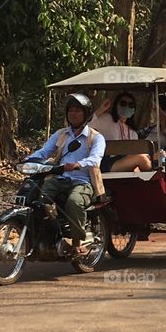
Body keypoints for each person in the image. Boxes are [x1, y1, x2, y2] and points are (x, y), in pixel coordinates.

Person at [25, 93, 105, 255]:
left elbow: (96, 159)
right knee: (37, 198)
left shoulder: (96, 137)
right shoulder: (61, 134)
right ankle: (49, 234)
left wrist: (78, 164)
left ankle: (77, 242)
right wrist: (27, 161)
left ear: (86, 114)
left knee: (74, 202)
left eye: (78, 110)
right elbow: (45, 151)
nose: (73, 114)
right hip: (59, 178)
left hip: (83, 181)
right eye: (71, 110)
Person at [90, 92, 152, 173]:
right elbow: (87, 125)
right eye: (123, 103)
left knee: (143, 159)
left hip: (125, 162)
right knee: (142, 159)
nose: (127, 107)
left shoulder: (133, 132)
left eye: (131, 105)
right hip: (107, 162)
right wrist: (100, 109)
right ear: (116, 105)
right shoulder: (106, 119)